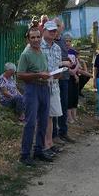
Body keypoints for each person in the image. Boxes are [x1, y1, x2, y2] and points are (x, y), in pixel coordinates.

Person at [16, 27, 51, 166]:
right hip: (32, 89)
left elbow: (44, 70)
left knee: (43, 121)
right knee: (30, 122)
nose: (36, 40)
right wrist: (38, 75)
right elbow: (19, 75)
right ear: (28, 39)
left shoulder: (41, 52)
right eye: (33, 37)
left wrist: (52, 74)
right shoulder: (26, 54)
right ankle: (25, 155)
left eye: (38, 37)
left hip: (44, 88)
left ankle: (39, 150)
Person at [41, 21, 66, 158]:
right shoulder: (38, 46)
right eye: (50, 30)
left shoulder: (57, 48)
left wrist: (60, 72)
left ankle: (49, 143)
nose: (52, 32)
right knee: (44, 116)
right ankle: (43, 145)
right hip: (41, 85)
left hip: (54, 85)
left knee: (51, 116)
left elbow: (57, 66)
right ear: (44, 30)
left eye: (54, 31)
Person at [53, 17, 76, 143]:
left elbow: (64, 54)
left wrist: (68, 59)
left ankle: (63, 132)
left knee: (64, 104)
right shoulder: (50, 41)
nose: (56, 29)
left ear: (62, 28)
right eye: (55, 26)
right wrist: (64, 61)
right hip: (55, 77)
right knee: (55, 106)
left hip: (65, 76)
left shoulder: (62, 40)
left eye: (58, 26)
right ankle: (54, 134)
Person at [65, 33, 80, 123]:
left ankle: (74, 116)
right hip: (68, 77)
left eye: (69, 41)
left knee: (75, 96)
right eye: (66, 41)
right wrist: (73, 73)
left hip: (75, 76)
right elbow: (67, 66)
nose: (68, 43)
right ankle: (69, 117)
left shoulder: (73, 52)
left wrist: (76, 72)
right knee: (69, 96)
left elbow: (78, 62)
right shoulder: (63, 52)